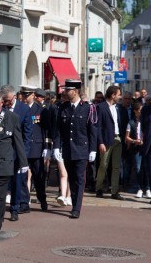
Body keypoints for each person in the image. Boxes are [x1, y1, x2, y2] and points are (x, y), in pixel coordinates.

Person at [0, 90, 28, 239]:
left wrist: (23, 162)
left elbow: (18, 141)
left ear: (2, 103)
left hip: (4, 163)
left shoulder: (12, 118)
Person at [53, 80, 97, 218]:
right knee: (71, 178)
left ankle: (76, 208)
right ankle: (74, 203)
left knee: (79, 179)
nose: (65, 92)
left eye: (68, 90)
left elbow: (92, 131)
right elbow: (58, 130)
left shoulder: (88, 108)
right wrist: (56, 147)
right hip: (67, 149)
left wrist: (93, 149)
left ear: (76, 91)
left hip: (82, 149)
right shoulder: (63, 107)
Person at [0, 84, 32, 221]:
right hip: (2, 152)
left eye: (7, 100)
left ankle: (15, 208)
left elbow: (27, 134)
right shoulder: (0, 108)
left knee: (17, 182)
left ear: (14, 96)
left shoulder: (24, 109)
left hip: (17, 153)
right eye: (4, 100)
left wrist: (23, 155)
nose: (6, 103)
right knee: (1, 183)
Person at [95, 86, 124, 200]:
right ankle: (99, 188)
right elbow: (98, 127)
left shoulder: (119, 108)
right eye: (118, 94)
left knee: (116, 166)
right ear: (113, 95)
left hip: (118, 139)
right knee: (103, 165)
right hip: (106, 140)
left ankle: (114, 191)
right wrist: (100, 142)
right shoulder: (101, 107)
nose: (119, 96)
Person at [125, 102, 151, 198]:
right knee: (138, 168)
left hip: (146, 147)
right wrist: (134, 141)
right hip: (136, 148)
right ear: (135, 111)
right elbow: (127, 137)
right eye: (140, 110)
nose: (142, 112)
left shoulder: (147, 121)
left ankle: (148, 188)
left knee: (147, 168)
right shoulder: (131, 122)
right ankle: (139, 188)